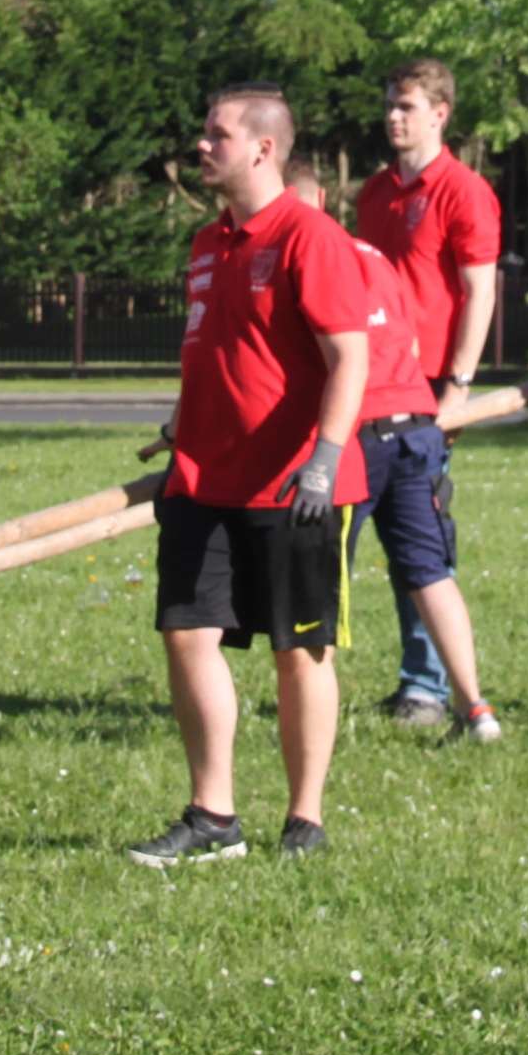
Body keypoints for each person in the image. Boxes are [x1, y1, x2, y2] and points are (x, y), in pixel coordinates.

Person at [128, 85, 371, 866]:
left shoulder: (311, 236)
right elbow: (218, 351)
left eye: (217, 134)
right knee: (186, 632)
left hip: (294, 487)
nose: (202, 145)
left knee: (300, 650)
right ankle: (213, 814)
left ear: (264, 148)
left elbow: (350, 358)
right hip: (203, 481)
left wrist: (324, 459)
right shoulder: (208, 243)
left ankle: (305, 818)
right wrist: (179, 430)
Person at [285, 163, 498, 742]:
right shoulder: (374, 256)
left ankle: (310, 706)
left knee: (325, 572)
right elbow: (408, 340)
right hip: (415, 427)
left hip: (356, 438)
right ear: (323, 197)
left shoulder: (297, 259)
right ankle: (475, 708)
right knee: (430, 573)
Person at [349, 61, 504, 728]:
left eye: (406, 106)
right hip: (369, 387)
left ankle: (427, 685)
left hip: (430, 391)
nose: (393, 116)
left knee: (421, 542)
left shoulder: (464, 191)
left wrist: (459, 388)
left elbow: (479, 291)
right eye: (389, 103)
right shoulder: (374, 193)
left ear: (440, 113)